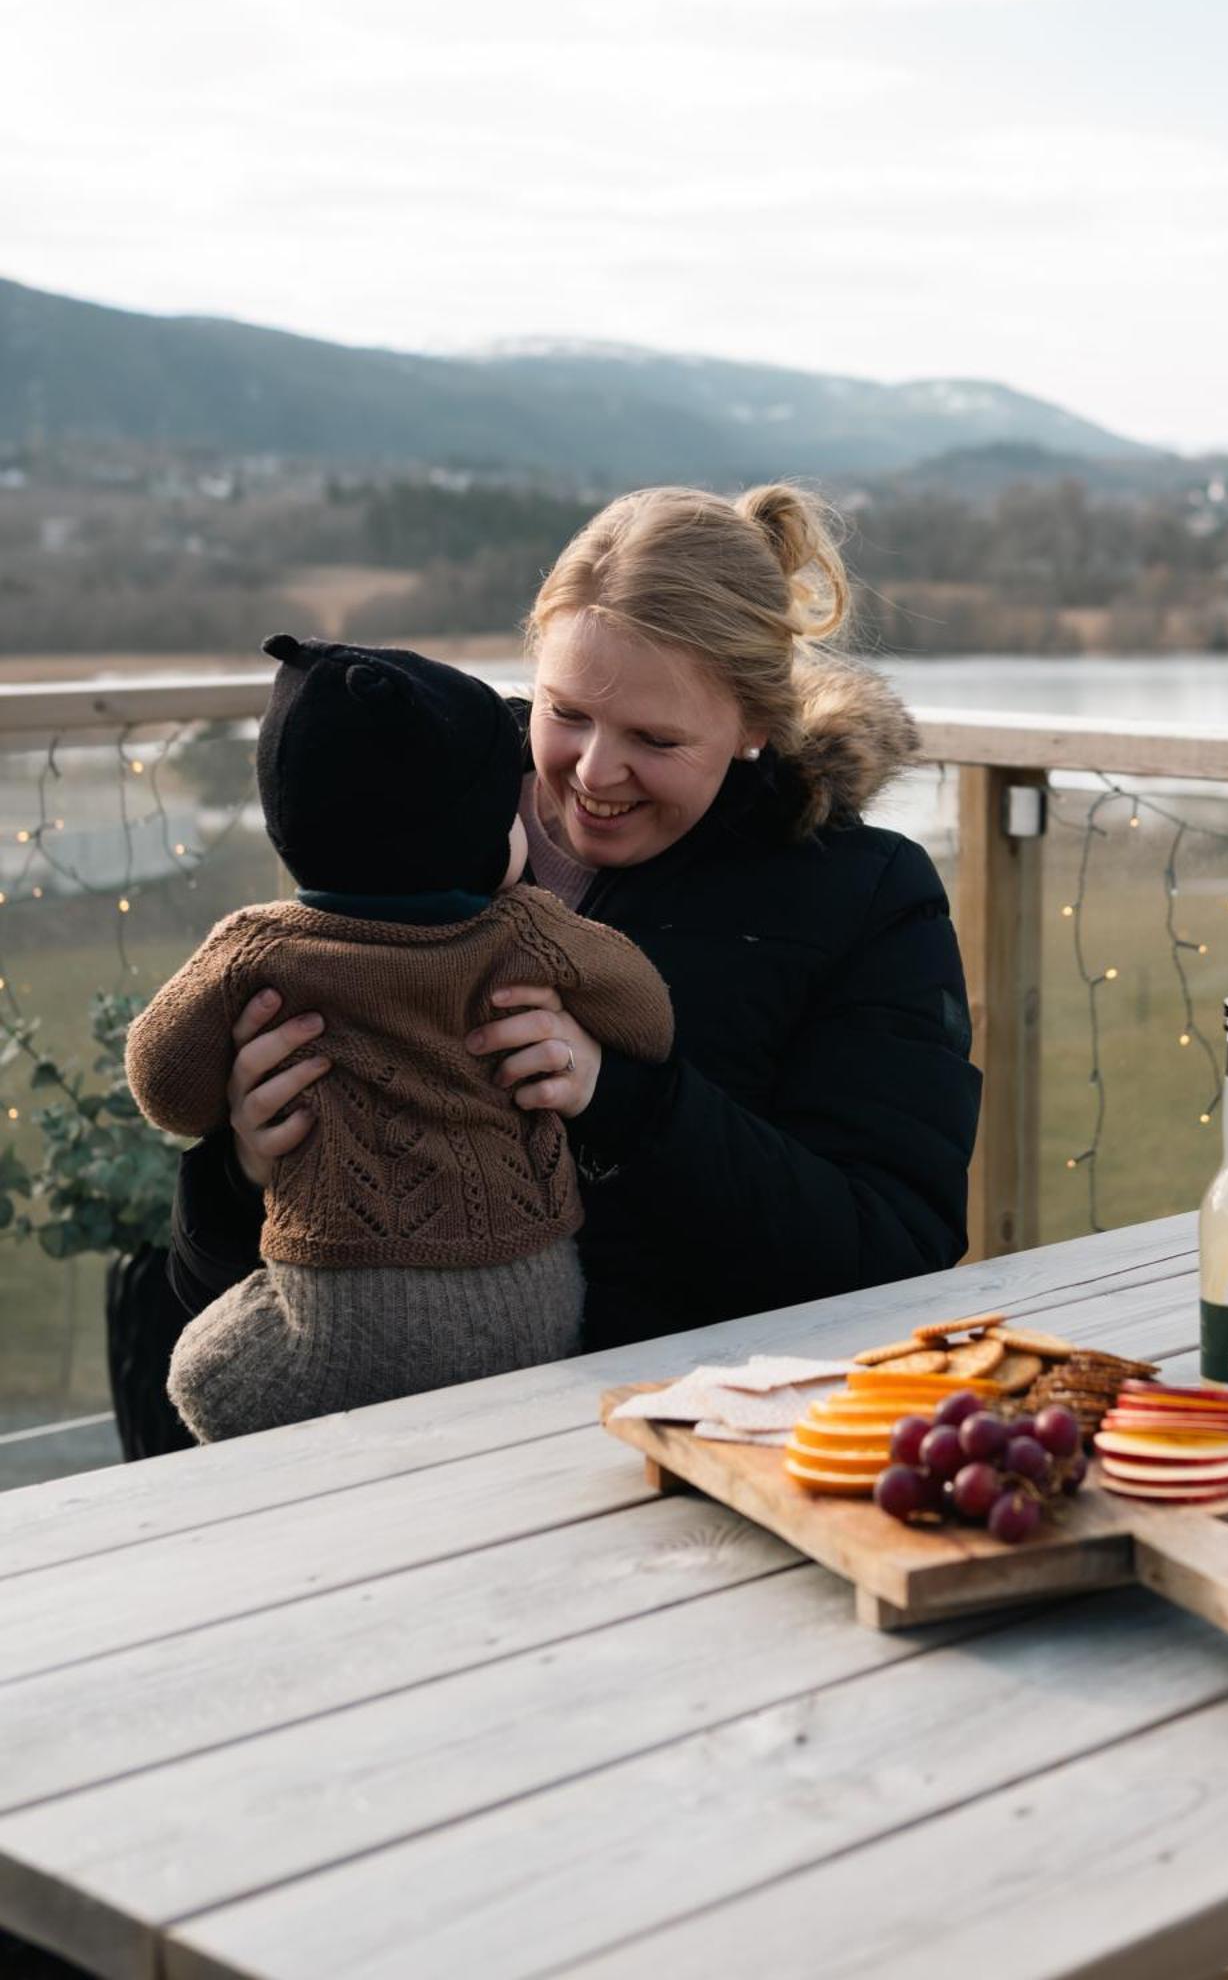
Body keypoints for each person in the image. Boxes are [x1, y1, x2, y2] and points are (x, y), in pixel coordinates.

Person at [165, 484, 981, 1360]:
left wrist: (630, 1103)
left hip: (667, 1422)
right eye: (567, 713)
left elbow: (897, 1252)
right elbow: (204, 1279)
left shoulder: (864, 895)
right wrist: (240, 1167)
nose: (596, 772)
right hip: (385, 1426)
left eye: (655, 741)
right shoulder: (415, 818)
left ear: (752, 724)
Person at [127, 637, 673, 1437]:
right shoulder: (526, 929)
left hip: (340, 1315)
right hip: (538, 1307)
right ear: (486, 843)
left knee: (196, 1376)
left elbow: (162, 1087)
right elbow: (650, 1022)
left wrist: (238, 1118)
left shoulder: (260, 949)